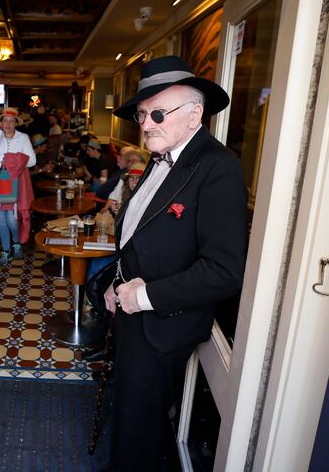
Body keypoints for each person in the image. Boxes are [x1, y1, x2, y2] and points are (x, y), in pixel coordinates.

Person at [105, 56, 248, 471]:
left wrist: (143, 296)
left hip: (162, 323)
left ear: (195, 115)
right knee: (133, 417)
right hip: (135, 310)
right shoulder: (161, 154)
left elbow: (223, 272)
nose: (146, 124)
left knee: (139, 426)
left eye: (157, 113)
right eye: (142, 114)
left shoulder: (220, 168)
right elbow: (140, 236)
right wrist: (115, 285)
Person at [0, 107, 36, 265]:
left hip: (15, 183)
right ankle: (6, 251)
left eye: (11, 120)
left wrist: (13, 160)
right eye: (5, 120)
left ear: (16, 123)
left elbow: (32, 161)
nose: (8, 123)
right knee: (2, 219)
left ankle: (17, 242)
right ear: (0, 122)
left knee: (13, 220)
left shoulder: (23, 138)